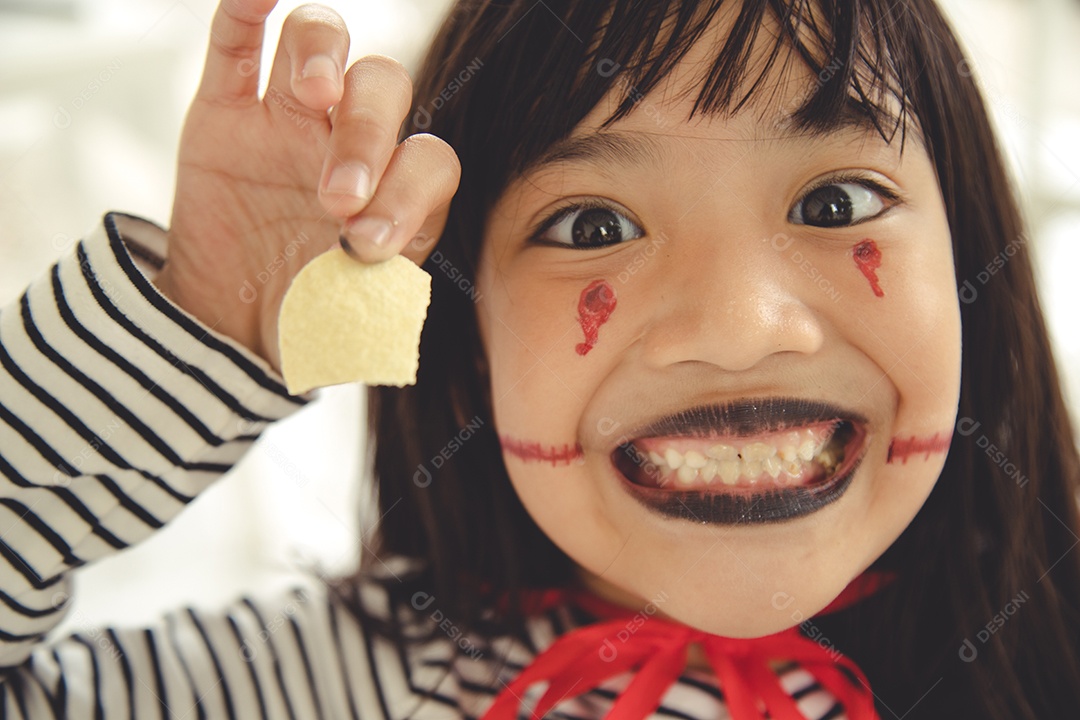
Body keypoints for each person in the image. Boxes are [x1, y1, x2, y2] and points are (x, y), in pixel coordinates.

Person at [1, 0, 1078, 717]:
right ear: (461, 341)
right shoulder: (340, 683)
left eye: (833, 203)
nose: (740, 328)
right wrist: (205, 317)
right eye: (593, 226)